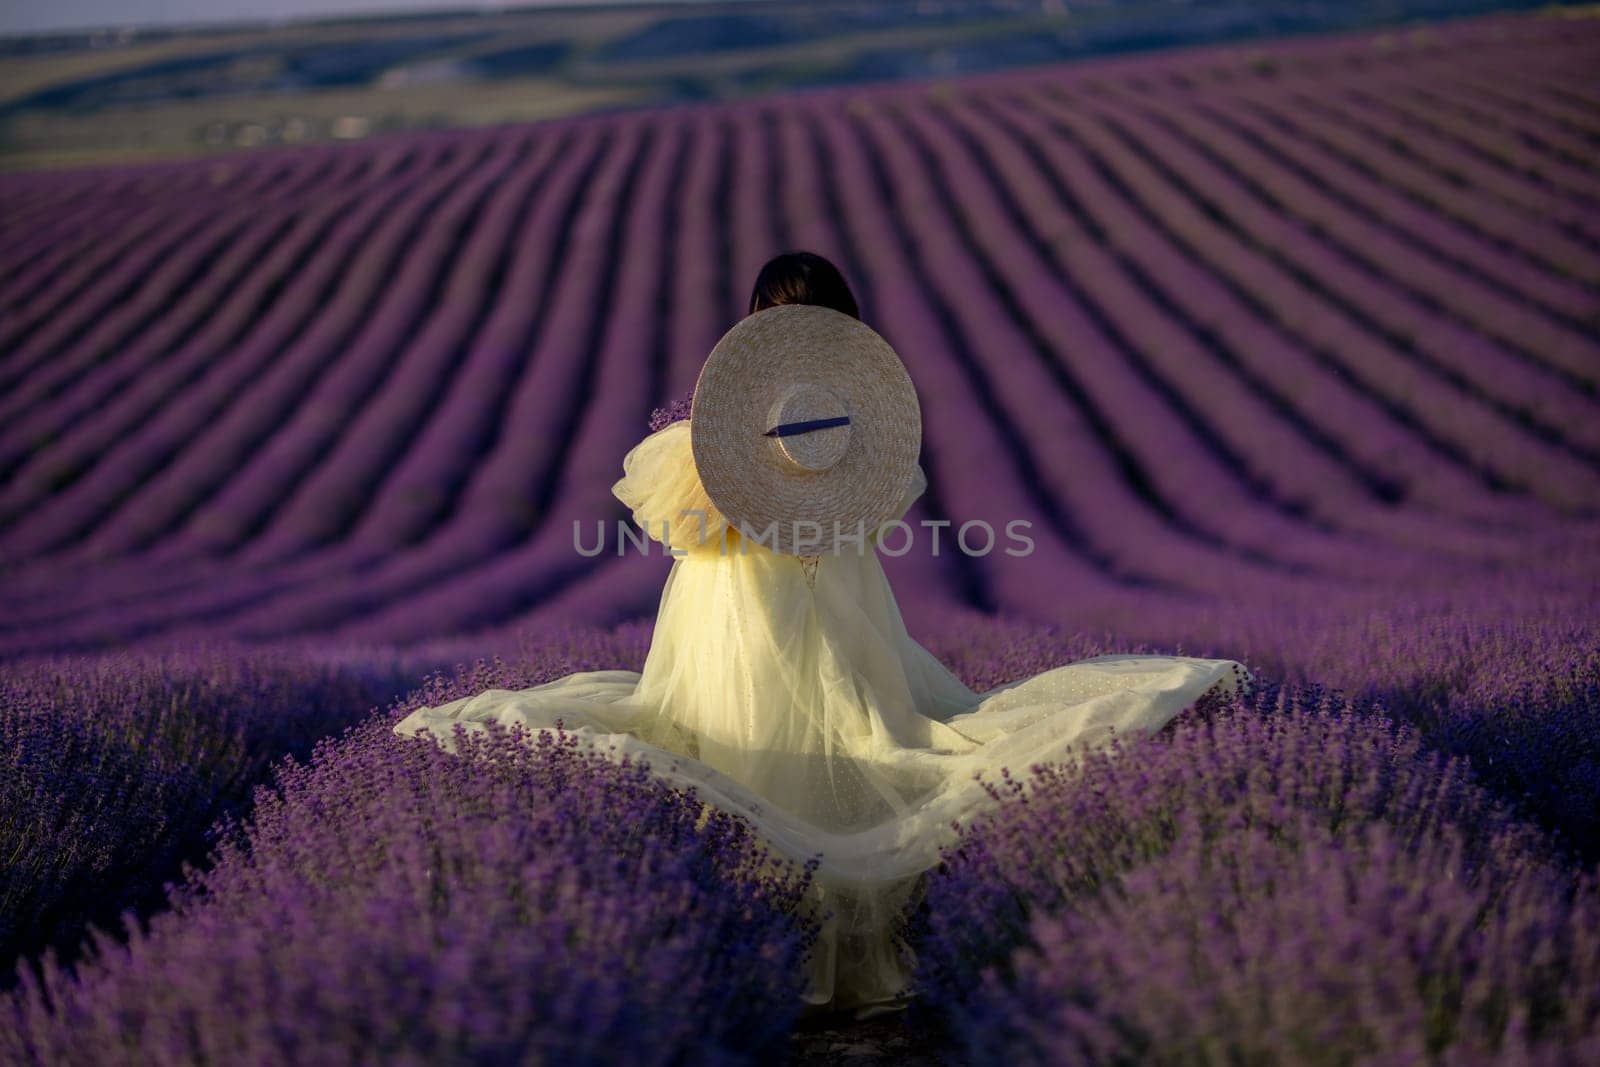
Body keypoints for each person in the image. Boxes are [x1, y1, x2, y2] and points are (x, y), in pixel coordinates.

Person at [393, 250, 1249, 1017]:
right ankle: (845, 945)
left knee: (754, 754)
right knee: (856, 747)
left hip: (739, 610)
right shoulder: (861, 431)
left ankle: (766, 948)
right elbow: (867, 520)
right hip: (838, 606)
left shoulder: (710, 438)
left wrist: (727, 463)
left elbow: (681, 528)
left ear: (756, 327)